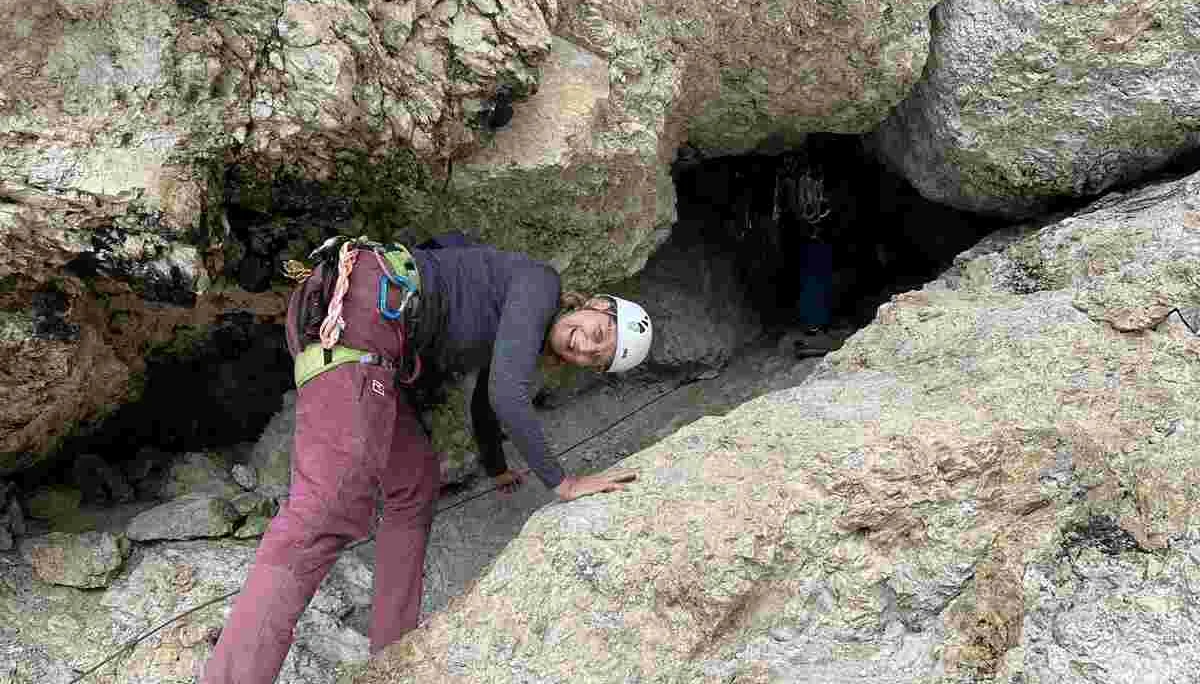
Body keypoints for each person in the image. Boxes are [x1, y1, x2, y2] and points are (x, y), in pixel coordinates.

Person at [201, 235, 653, 683]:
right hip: (363, 321)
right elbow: (506, 395)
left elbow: (488, 397)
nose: (592, 346)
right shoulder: (541, 282)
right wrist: (563, 483)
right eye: (605, 332)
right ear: (596, 304)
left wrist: (496, 468)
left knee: (414, 482)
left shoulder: (523, 313)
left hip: (360, 327)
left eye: (600, 359)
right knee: (323, 513)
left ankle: (390, 658)